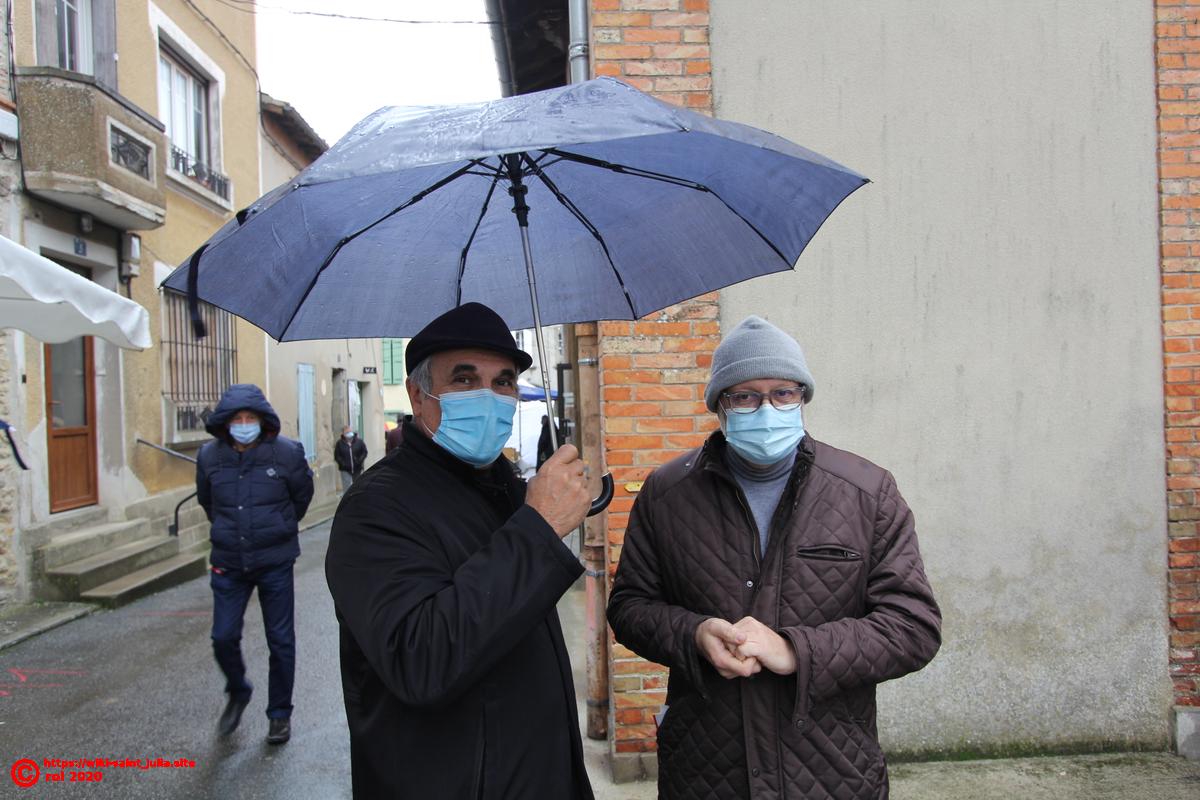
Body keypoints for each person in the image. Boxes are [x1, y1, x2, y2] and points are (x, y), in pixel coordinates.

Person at [607, 316, 941, 800]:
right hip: (706, 771)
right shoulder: (667, 495)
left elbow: (913, 626)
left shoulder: (867, 492)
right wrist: (694, 635)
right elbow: (630, 607)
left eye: (783, 393)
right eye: (745, 396)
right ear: (719, 406)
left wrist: (797, 651)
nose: (766, 408)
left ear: (802, 397)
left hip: (832, 770)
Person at [325, 302, 595, 799]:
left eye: (503, 382)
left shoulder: (508, 490)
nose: (488, 397)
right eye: (465, 380)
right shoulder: (374, 507)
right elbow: (421, 660)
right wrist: (538, 528)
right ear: (418, 395)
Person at [196, 383, 314, 746]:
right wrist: (229, 530)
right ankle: (238, 689)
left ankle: (279, 714)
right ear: (225, 423)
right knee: (223, 636)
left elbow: (302, 496)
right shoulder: (209, 456)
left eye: (251, 418)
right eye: (238, 419)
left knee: (280, 640)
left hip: (274, 560)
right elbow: (208, 502)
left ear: (263, 421)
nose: (244, 425)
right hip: (228, 561)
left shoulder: (286, 453)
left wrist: (279, 526)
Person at [334, 424, 367, 490]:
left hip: (357, 468)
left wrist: (359, 460)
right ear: (343, 434)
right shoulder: (339, 443)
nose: (349, 433)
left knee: (357, 486)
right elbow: (337, 456)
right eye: (346, 432)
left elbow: (364, 452)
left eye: (349, 431)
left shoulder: (359, 442)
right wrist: (342, 463)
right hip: (345, 469)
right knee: (347, 488)